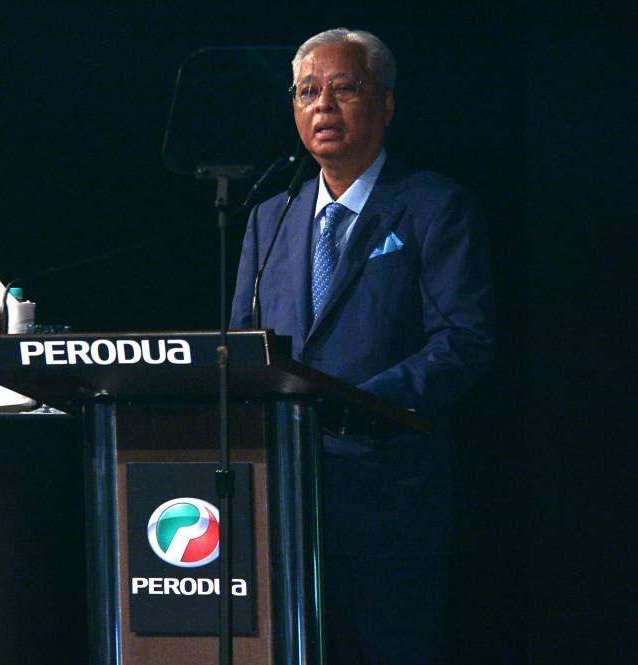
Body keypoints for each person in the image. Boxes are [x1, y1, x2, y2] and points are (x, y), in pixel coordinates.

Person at [230, 28, 494, 664]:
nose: (324, 105)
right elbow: (242, 344)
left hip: (388, 495)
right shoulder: (270, 216)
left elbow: (463, 340)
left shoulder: (435, 206)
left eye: (345, 89)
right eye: (307, 92)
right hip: (282, 496)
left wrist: (353, 402)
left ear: (386, 104)